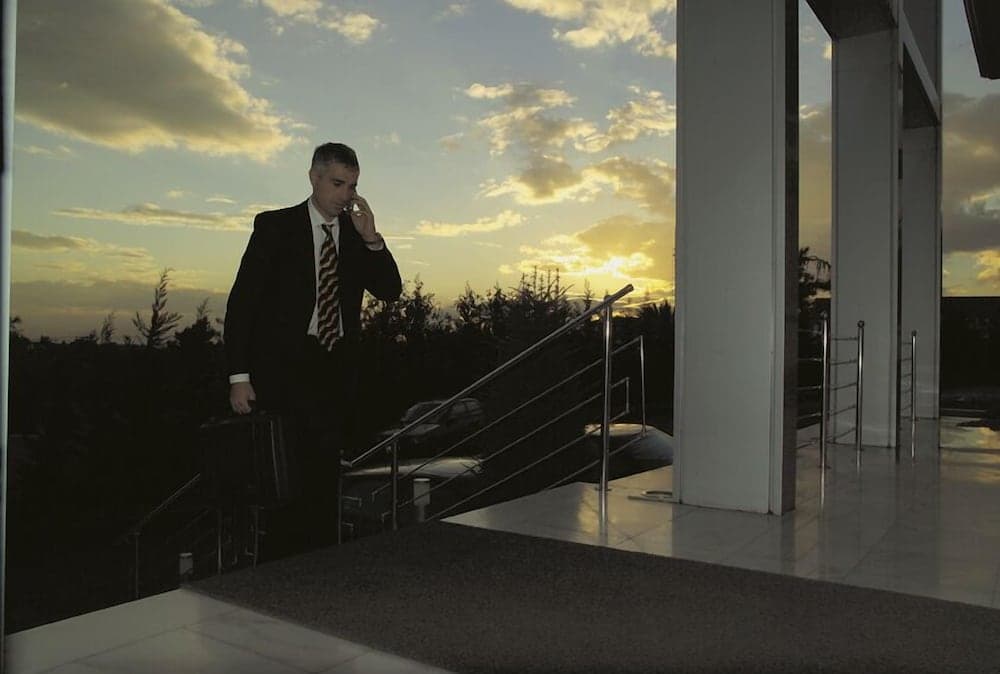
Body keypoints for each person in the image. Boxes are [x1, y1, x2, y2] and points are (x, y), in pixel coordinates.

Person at [224, 141, 402, 553]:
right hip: (283, 371)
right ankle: (279, 572)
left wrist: (372, 238)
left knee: (324, 482)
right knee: (285, 483)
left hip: (334, 370)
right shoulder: (275, 227)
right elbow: (243, 304)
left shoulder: (356, 236)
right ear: (314, 178)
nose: (345, 195)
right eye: (338, 184)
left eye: (352, 186)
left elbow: (390, 290)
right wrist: (239, 376)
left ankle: (318, 571)